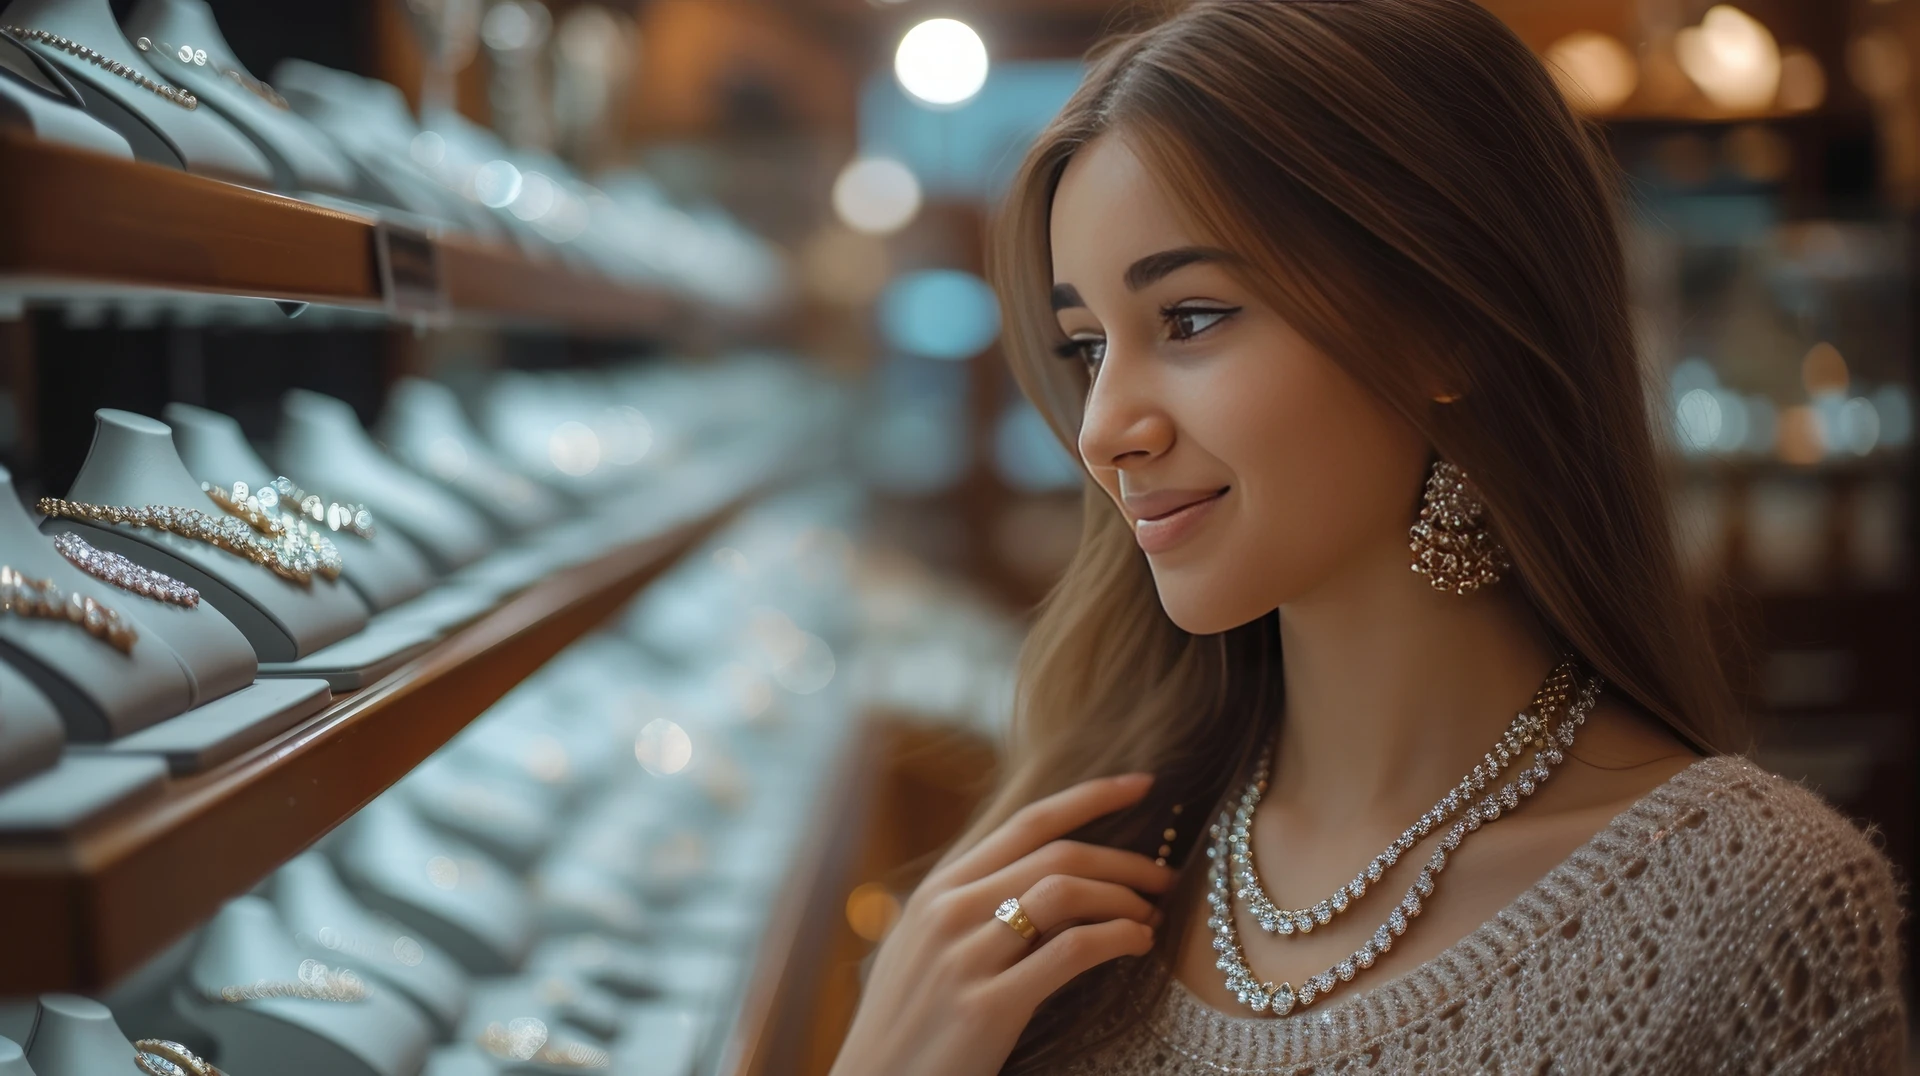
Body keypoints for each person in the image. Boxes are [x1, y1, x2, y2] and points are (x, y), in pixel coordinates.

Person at [829, 1, 1909, 1072]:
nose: (1105, 427)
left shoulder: (1752, 913)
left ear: (1447, 323)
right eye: (1086, 346)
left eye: (1191, 319)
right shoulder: (1049, 889)